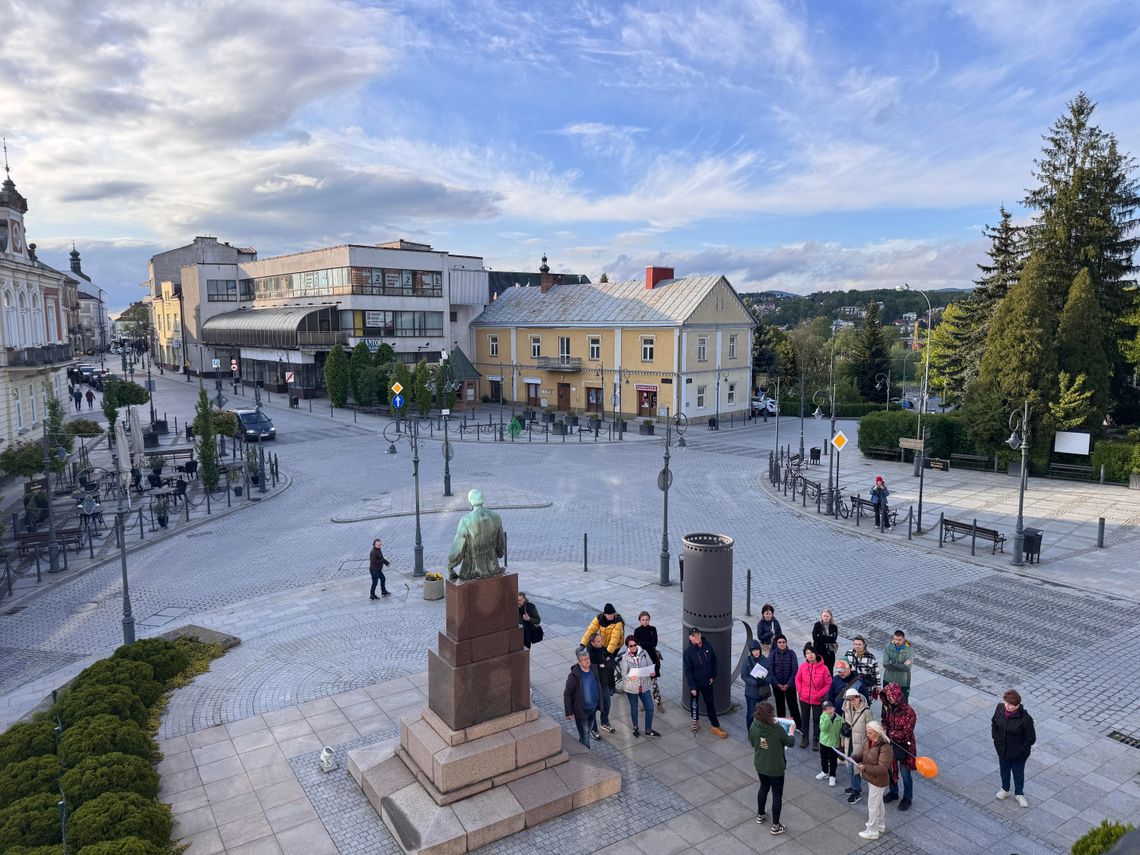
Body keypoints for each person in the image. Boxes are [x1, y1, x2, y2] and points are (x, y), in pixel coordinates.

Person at [749, 701, 795, 836]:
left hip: (760, 764)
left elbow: (752, 742)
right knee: (777, 795)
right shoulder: (777, 729)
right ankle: (775, 825)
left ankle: (761, 814)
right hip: (775, 767)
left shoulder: (753, 726)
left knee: (763, 787)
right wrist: (792, 732)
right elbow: (790, 743)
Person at [992, 689, 1035, 808]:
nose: (1008, 707)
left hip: (1018, 754)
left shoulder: (1025, 719)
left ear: (1018, 705)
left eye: (1011, 705)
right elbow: (994, 723)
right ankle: (1004, 789)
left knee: (1018, 773)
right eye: (1006, 704)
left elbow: (1031, 739)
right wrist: (996, 740)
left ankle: (1019, 794)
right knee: (1004, 771)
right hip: (1003, 750)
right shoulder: (999, 708)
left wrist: (1020, 750)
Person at [684, 627, 726, 737]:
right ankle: (695, 721)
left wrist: (713, 676)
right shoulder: (688, 652)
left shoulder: (707, 645)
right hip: (695, 684)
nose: (696, 637)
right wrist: (692, 686)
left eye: (697, 634)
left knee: (710, 704)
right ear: (690, 637)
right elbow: (688, 671)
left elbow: (713, 660)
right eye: (694, 635)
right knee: (694, 704)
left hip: (707, 682)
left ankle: (715, 726)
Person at [881, 682, 916, 811]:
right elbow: (884, 720)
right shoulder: (887, 707)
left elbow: (906, 733)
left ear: (898, 696)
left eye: (891, 696)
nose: (889, 699)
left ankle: (907, 798)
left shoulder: (909, 712)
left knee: (905, 773)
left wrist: (889, 733)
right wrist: (884, 728)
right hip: (890, 744)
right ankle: (894, 792)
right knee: (891, 769)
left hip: (905, 747)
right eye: (888, 697)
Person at [857, 720, 893, 840]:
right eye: (867, 732)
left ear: (878, 732)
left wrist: (865, 767)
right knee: (878, 802)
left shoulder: (885, 748)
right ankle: (880, 824)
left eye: (870, 732)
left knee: (872, 805)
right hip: (872, 778)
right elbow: (863, 754)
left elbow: (883, 768)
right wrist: (851, 757)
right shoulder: (869, 741)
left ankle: (872, 830)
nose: (868, 735)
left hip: (878, 780)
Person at [620, 635, 660, 738]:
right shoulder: (625, 658)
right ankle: (635, 727)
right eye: (631, 646)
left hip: (644, 685)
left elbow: (651, 666)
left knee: (650, 708)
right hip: (632, 687)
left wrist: (652, 672)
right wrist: (630, 676)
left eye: (634, 645)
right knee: (634, 708)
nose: (633, 647)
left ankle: (648, 730)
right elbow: (624, 674)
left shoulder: (644, 653)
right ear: (628, 647)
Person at [795, 643, 831, 750]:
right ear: (805, 655)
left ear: (815, 654)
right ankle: (804, 737)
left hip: (817, 699)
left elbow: (828, 683)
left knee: (817, 719)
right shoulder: (803, 666)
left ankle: (816, 738)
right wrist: (800, 691)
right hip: (804, 698)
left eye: (811, 653)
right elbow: (797, 679)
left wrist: (819, 694)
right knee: (805, 718)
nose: (810, 655)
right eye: (807, 653)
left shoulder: (824, 668)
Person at [564, 648, 601, 747]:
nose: (587, 661)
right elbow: (567, 693)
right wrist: (568, 712)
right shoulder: (574, 676)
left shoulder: (594, 669)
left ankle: (581, 748)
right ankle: (588, 757)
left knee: (588, 731)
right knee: (585, 735)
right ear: (579, 662)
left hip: (592, 709)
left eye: (588, 658)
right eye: (584, 660)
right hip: (581, 711)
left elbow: (598, 685)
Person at [842, 687, 872, 804]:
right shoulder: (846, 707)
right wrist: (843, 739)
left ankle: (856, 791)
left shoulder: (866, 712)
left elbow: (870, 730)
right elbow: (844, 723)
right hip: (849, 742)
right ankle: (855, 786)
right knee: (849, 767)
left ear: (858, 698)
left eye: (853, 699)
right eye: (849, 699)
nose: (851, 701)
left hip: (860, 745)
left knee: (853, 768)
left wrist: (867, 747)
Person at [769, 635, 803, 732]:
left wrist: (788, 684)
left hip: (790, 685)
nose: (782, 644)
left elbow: (795, 670)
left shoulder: (792, 653)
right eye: (779, 642)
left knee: (793, 705)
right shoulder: (773, 654)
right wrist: (777, 684)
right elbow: (770, 670)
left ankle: (798, 725)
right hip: (777, 685)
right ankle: (782, 724)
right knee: (780, 705)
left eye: (783, 642)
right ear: (776, 643)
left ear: (786, 642)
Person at [633, 611, 664, 711]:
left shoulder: (653, 629)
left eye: (646, 619)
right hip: (641, 659)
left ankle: (659, 703)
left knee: (654, 683)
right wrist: (647, 644)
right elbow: (637, 645)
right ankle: (645, 703)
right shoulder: (637, 631)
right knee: (643, 683)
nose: (645, 621)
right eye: (643, 620)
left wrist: (643, 644)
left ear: (649, 620)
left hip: (652, 659)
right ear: (640, 620)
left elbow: (654, 643)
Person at [586, 632, 616, 734]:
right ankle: (593, 728)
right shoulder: (589, 654)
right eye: (598, 642)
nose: (601, 643)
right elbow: (594, 668)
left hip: (603, 682)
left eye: (601, 640)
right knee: (593, 707)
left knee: (607, 702)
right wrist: (603, 664)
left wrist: (604, 664)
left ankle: (604, 721)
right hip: (593, 684)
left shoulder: (601, 648)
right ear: (592, 643)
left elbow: (611, 659)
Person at [741, 639, 771, 731]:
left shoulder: (765, 661)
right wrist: (755, 682)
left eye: (757, 650)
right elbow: (744, 676)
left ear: (760, 650)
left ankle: (761, 730)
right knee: (751, 713)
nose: (756, 652)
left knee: (763, 713)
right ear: (751, 651)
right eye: (753, 650)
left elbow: (771, 675)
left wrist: (764, 680)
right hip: (751, 692)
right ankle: (751, 731)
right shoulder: (746, 661)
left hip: (763, 692)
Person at [882, 630, 913, 701]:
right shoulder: (888, 647)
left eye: (899, 640)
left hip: (903, 682)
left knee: (903, 704)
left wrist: (893, 663)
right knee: (887, 702)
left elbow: (908, 668)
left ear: (904, 639)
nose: (897, 642)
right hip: (888, 679)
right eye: (895, 639)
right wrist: (902, 665)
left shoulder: (909, 650)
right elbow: (885, 664)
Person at [817, 698, 841, 787]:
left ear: (834, 708)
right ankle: (825, 771)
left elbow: (840, 731)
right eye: (826, 709)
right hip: (824, 742)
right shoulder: (823, 717)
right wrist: (828, 718)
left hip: (834, 743)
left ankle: (832, 775)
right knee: (823, 758)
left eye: (830, 708)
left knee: (833, 760)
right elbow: (823, 729)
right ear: (823, 711)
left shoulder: (839, 719)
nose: (829, 710)